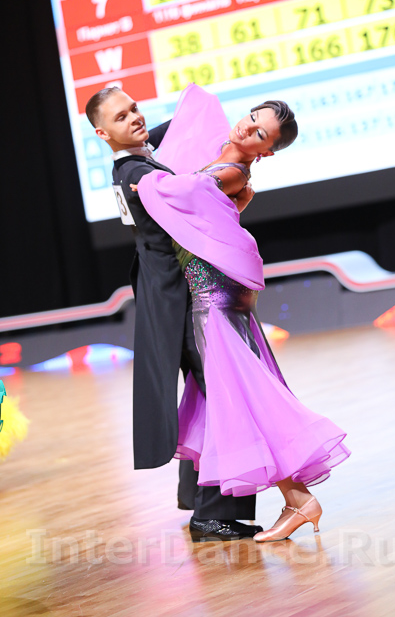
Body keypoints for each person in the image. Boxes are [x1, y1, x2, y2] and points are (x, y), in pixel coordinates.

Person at [133, 84, 351, 542]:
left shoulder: (231, 172)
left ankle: (298, 499)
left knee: (245, 396)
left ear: (266, 152)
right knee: (239, 395)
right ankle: (295, 500)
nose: (247, 129)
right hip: (211, 294)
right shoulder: (222, 156)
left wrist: (142, 181)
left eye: (260, 134)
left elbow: (184, 191)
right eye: (252, 118)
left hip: (212, 298)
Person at [85, 87, 263, 542]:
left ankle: (196, 495)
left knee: (209, 391)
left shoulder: (137, 159)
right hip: (179, 300)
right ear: (103, 134)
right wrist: (238, 166)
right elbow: (199, 192)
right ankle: (210, 513)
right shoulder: (138, 173)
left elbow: (188, 121)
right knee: (224, 393)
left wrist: (238, 137)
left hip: (171, 293)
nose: (135, 118)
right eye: (121, 117)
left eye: (134, 108)